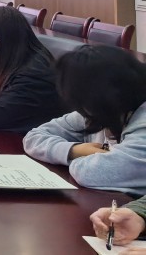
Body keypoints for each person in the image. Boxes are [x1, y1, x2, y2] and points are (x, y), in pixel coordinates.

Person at [23, 45, 146, 195]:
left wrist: (77, 160)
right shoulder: (98, 111)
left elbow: (90, 173)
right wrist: (74, 150)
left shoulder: (138, 119)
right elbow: (33, 137)